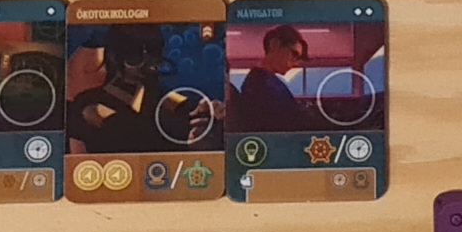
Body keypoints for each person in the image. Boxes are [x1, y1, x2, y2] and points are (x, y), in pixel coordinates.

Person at [70, 24, 213, 151]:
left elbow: (185, 108)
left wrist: (205, 114)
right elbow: (125, 132)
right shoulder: (88, 102)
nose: (148, 62)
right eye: (134, 53)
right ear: (115, 56)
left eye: (154, 51)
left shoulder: (159, 95)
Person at [229, 24, 314, 133]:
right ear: (274, 45)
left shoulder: (261, 81)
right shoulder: (263, 85)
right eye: (294, 54)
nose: (296, 63)